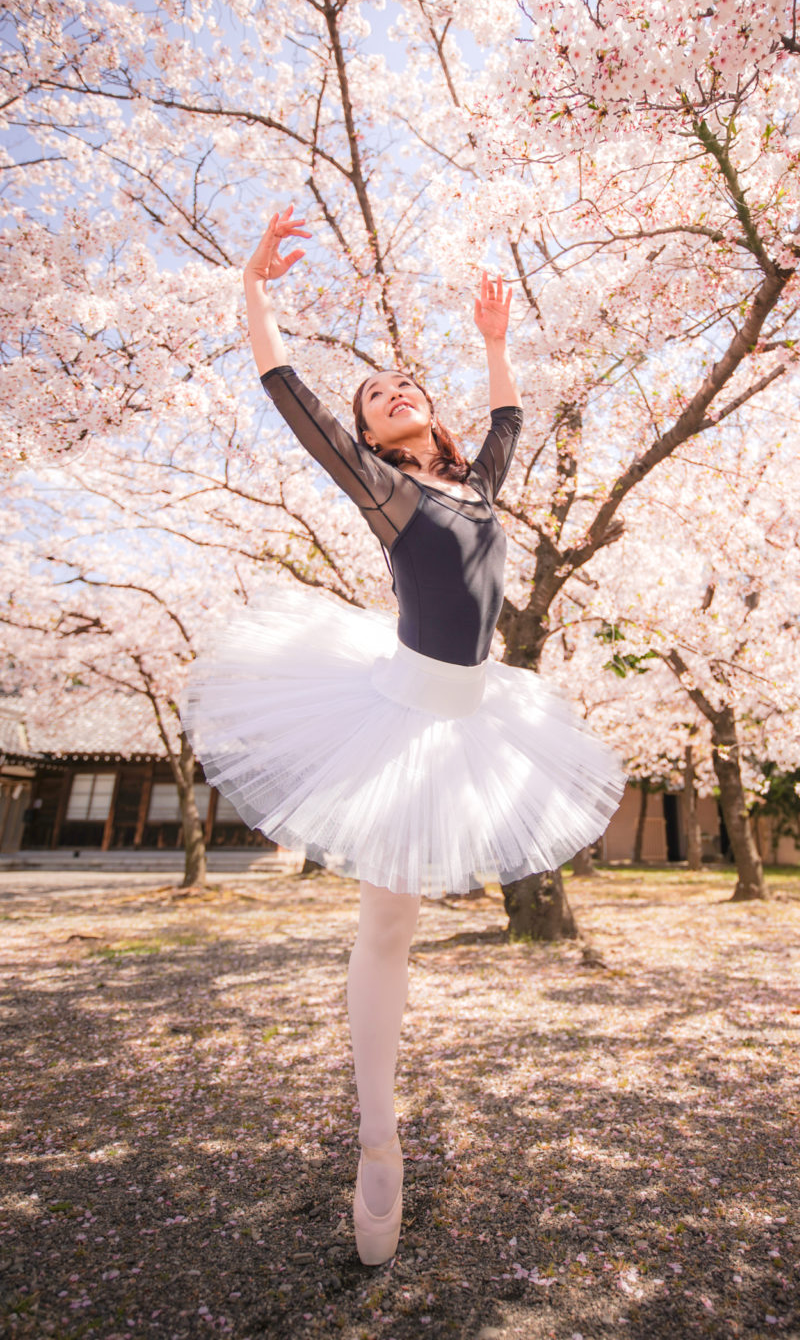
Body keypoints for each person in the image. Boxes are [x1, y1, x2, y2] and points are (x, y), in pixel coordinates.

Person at [184, 205, 623, 1267]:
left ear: (430, 418)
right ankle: (378, 1137)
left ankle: (382, 1129)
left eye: (402, 385)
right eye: (376, 396)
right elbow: (291, 399)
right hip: (401, 713)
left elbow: (510, 424)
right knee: (388, 931)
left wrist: (493, 347)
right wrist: (254, 291)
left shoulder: (474, 483)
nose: (393, 391)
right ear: (374, 436)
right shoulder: (383, 488)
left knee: (407, 925)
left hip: (478, 714)